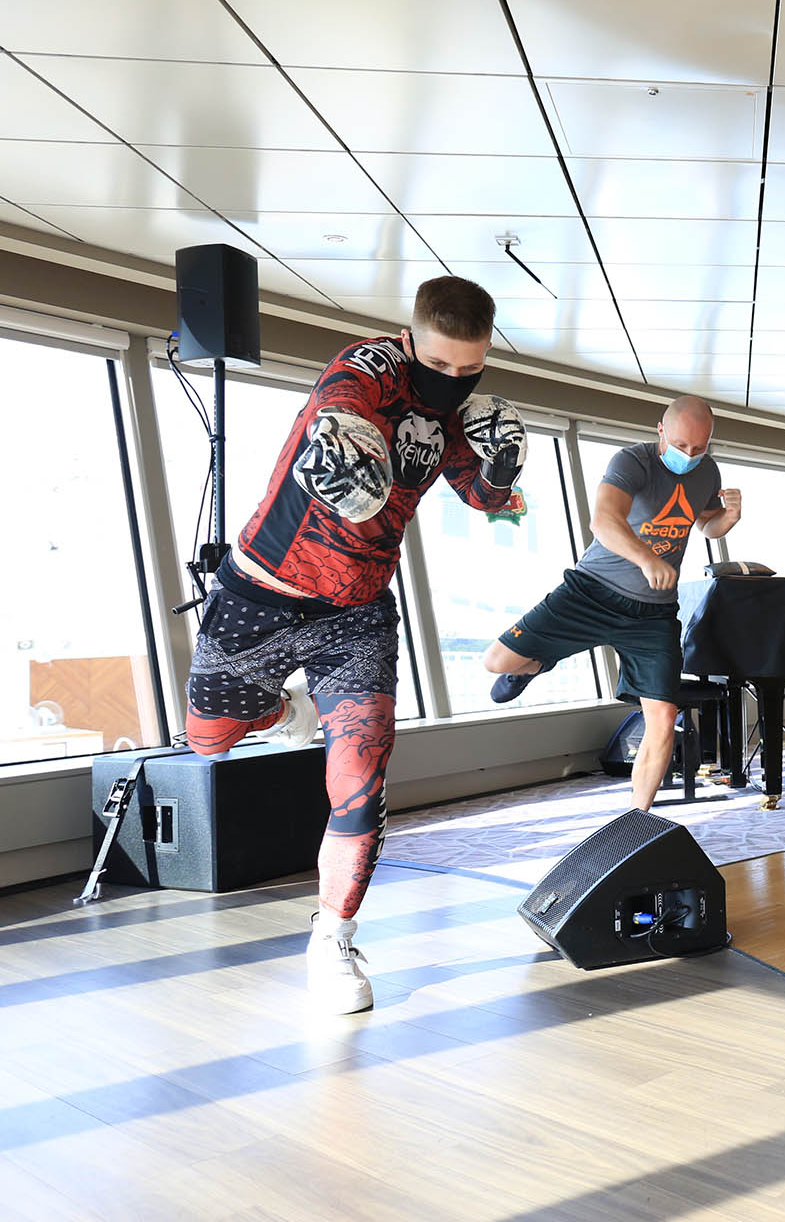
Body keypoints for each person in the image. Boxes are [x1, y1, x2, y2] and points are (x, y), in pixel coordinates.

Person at [181, 277, 526, 1014]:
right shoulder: (369, 368)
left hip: (358, 612)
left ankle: (332, 938)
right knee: (208, 740)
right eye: (439, 363)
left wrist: (500, 468)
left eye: (470, 368)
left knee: (361, 777)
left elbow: (485, 498)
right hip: (261, 591)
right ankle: (288, 712)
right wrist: (343, 438)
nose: (452, 380)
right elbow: (339, 402)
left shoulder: (459, 412)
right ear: (409, 340)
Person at [483, 396, 740, 812]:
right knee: (497, 662)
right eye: (681, 445)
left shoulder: (707, 471)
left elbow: (704, 523)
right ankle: (535, 664)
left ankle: (637, 820)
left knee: (663, 715)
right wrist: (646, 558)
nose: (689, 455)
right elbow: (603, 520)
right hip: (592, 591)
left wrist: (725, 519)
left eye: (699, 447)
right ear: (661, 430)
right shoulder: (633, 462)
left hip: (654, 612)